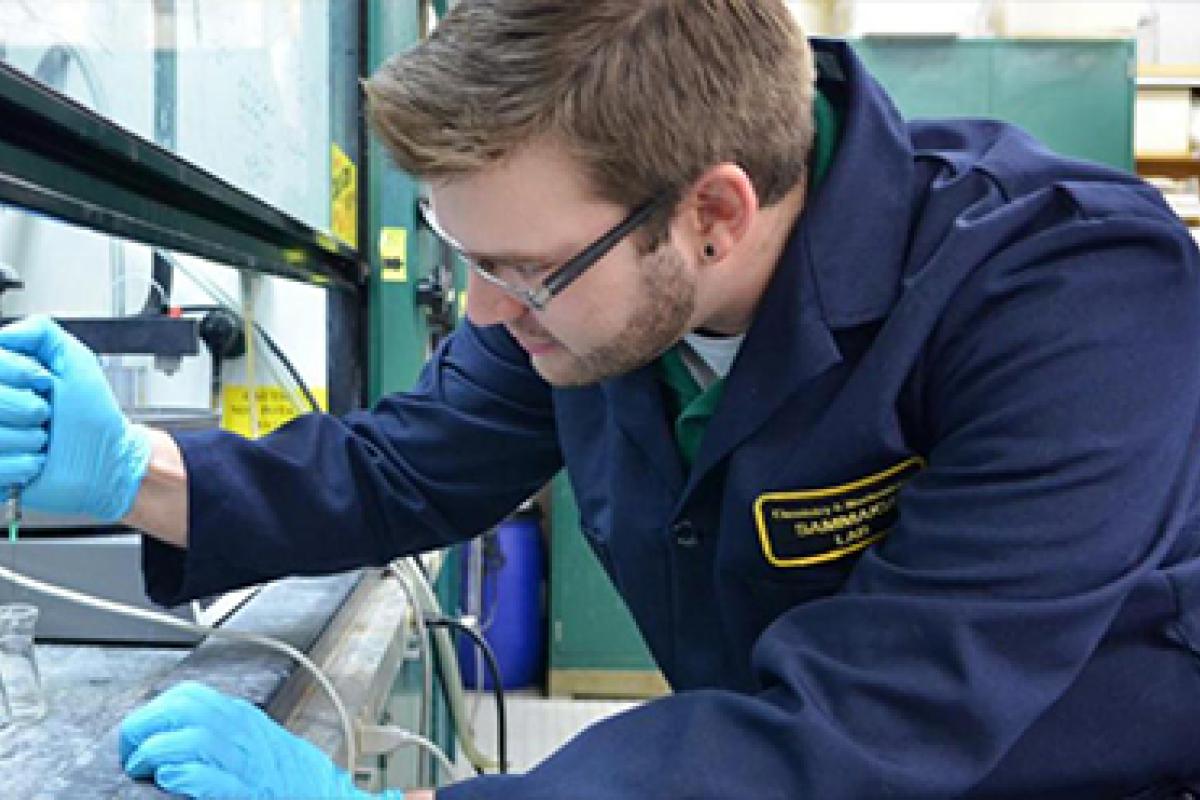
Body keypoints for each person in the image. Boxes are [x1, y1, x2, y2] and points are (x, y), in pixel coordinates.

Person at [1, 1, 1199, 797]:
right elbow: (403, 465)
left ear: (714, 215)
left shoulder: (1072, 297)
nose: (482, 312)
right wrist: (131, 473)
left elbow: (880, 713)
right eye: (463, 249)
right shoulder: (591, 288)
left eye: (526, 270)